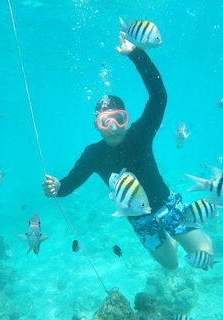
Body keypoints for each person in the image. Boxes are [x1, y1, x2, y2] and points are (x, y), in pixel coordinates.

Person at [42, 35, 213, 270]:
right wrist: (58, 188)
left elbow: (159, 96)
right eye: (105, 122)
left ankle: (183, 234)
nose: (113, 128)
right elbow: (71, 182)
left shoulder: (140, 134)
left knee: (205, 255)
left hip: (167, 205)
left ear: (125, 120)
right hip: (140, 219)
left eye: (119, 119)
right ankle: (170, 240)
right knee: (171, 265)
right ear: (97, 126)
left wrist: (136, 53)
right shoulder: (92, 154)